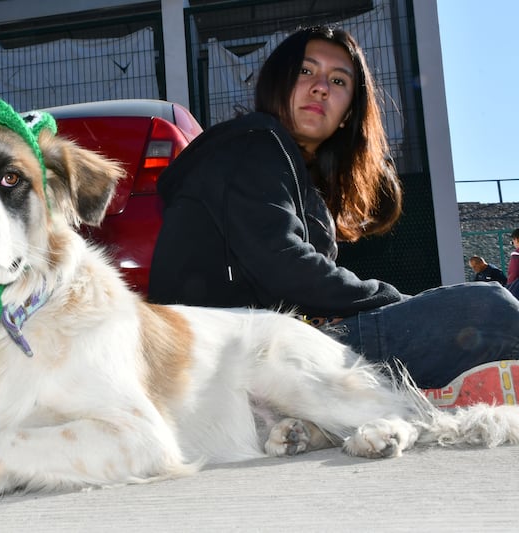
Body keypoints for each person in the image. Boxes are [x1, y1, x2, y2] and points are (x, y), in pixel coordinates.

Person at [148, 25, 519, 389]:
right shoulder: (252, 143)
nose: (321, 87)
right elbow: (286, 267)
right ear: (278, 83)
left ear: (347, 115)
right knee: (485, 307)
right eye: (306, 71)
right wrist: (397, 302)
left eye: (339, 81)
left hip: (264, 352)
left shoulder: (288, 166)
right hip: (235, 364)